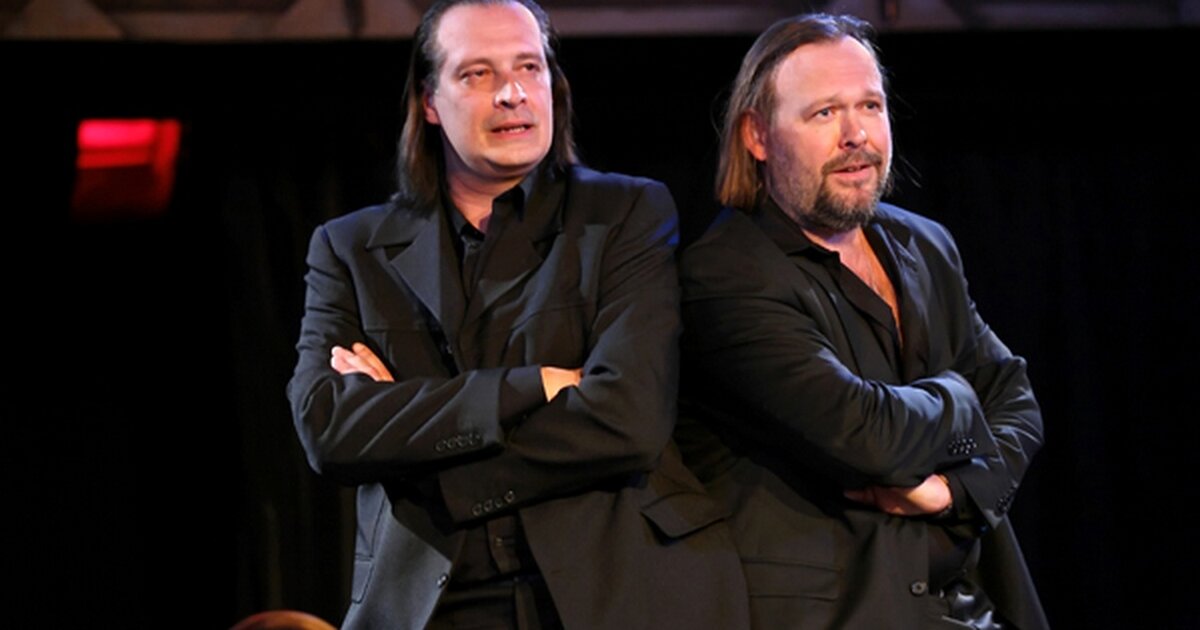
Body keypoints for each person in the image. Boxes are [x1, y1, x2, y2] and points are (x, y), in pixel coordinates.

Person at [285, 1, 750, 628]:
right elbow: (328, 427)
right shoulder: (350, 248)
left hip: (618, 586)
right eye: (478, 73)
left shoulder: (625, 213)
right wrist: (531, 386)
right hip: (436, 604)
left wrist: (429, 459)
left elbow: (629, 417)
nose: (512, 93)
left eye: (529, 67)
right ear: (429, 100)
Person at [675, 13, 1049, 629]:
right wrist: (961, 397)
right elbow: (868, 436)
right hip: (837, 612)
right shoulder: (724, 274)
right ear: (758, 135)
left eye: (870, 106)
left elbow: (1017, 400)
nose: (856, 135)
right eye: (824, 113)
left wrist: (954, 493)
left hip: (965, 604)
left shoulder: (925, 244)